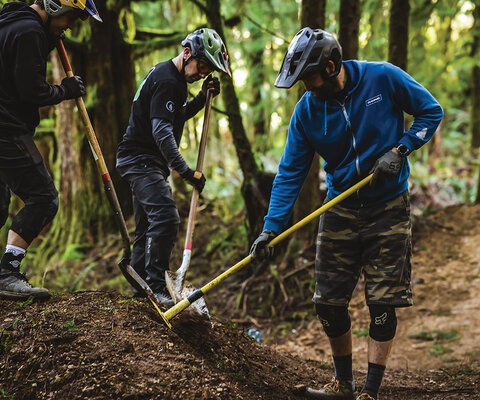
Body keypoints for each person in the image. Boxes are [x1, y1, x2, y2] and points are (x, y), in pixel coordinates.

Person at [249, 28, 443, 400]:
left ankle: (369, 391)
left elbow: (430, 111)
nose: (307, 88)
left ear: (333, 65)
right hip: (339, 207)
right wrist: (270, 228)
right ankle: (343, 386)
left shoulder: (382, 77)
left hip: (388, 207)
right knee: (328, 302)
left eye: (310, 79)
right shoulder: (307, 110)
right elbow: (290, 171)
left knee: (382, 302)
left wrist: (400, 150)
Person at [116, 28, 231, 307]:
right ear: (188, 53)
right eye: (202, 66)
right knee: (166, 218)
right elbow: (162, 132)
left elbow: (176, 117)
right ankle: (155, 287)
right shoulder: (168, 80)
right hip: (141, 161)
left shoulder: (172, 80)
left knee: (145, 228)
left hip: (143, 161)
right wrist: (186, 171)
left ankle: (139, 290)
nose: (202, 73)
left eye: (208, 70)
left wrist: (201, 99)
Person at [0, 0, 102, 300]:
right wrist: (65, 90)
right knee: (43, 198)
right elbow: (31, 90)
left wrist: (48, 37)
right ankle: (7, 272)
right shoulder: (29, 31)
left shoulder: (12, 22)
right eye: (70, 17)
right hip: (6, 128)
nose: (69, 25)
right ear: (55, 7)